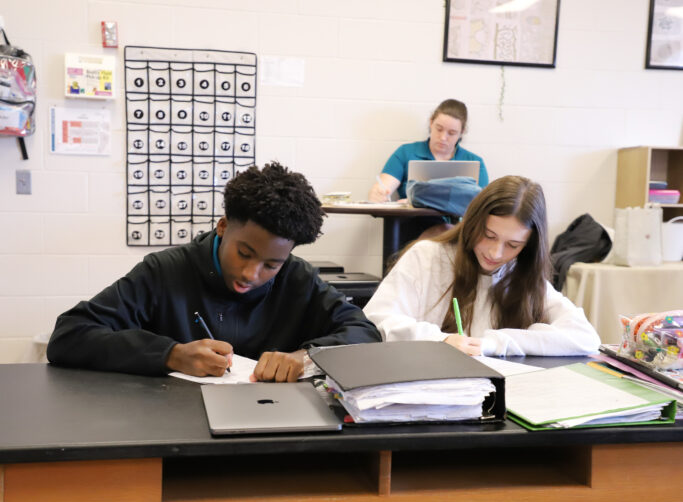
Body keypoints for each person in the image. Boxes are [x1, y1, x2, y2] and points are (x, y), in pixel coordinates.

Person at [47, 162, 382, 381]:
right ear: (222, 226)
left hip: (271, 429)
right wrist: (170, 354)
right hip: (172, 425)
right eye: (244, 253)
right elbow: (69, 336)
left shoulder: (297, 278)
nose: (252, 273)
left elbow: (364, 333)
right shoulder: (165, 271)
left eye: (270, 264)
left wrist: (304, 358)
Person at [363, 175, 600, 356]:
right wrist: (439, 340)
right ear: (472, 223)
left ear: (528, 246)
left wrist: (495, 343)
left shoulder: (522, 273)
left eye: (513, 245)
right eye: (488, 235)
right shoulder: (428, 257)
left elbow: (585, 337)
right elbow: (376, 320)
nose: (495, 253)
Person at [368, 98, 489, 203]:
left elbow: (481, 204)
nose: (443, 138)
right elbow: (384, 186)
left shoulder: (474, 163)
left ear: (461, 133)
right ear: (431, 123)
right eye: (439, 129)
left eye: (451, 133)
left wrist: (419, 201)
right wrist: (378, 193)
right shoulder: (405, 153)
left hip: (458, 227)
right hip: (413, 224)